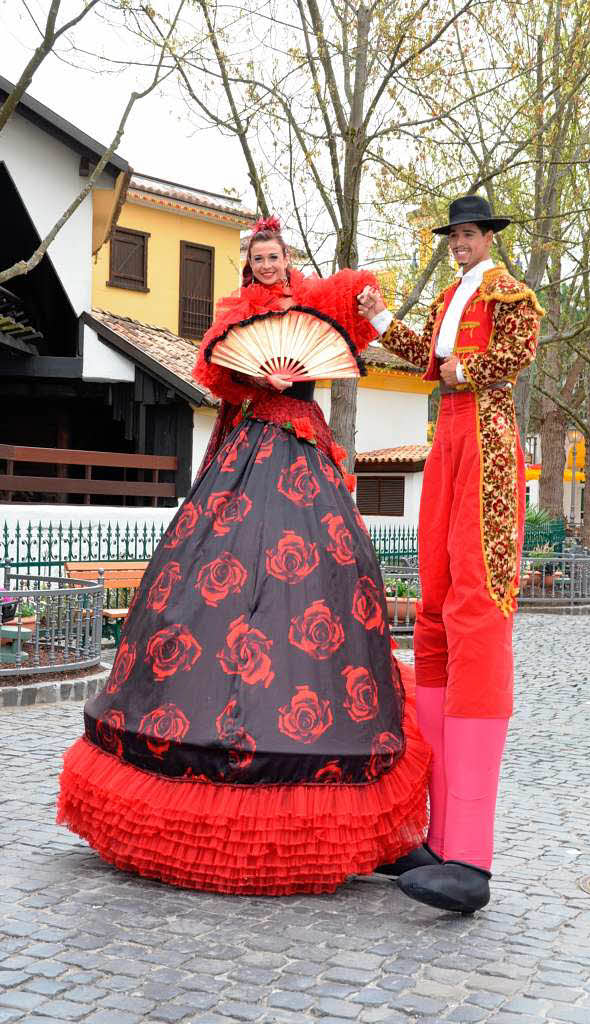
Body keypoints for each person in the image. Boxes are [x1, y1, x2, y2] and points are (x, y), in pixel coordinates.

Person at [57, 216, 430, 896]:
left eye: (275, 254)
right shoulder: (233, 313)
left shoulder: (312, 298)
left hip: (306, 459)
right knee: (211, 583)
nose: (267, 263)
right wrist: (257, 378)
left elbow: (350, 292)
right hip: (248, 452)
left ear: (288, 258)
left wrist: (371, 295)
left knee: (324, 581)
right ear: (249, 263)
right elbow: (220, 374)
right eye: (258, 256)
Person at [357, 195, 544, 913]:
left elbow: (509, 359)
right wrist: (377, 317)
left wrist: (459, 367)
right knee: (433, 615)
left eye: (469, 235)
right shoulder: (447, 297)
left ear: (486, 238)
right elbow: (419, 357)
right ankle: (436, 838)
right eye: (456, 236)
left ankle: (470, 855)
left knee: (478, 612)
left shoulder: (511, 295)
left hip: (489, 441)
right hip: (448, 441)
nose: (461, 244)